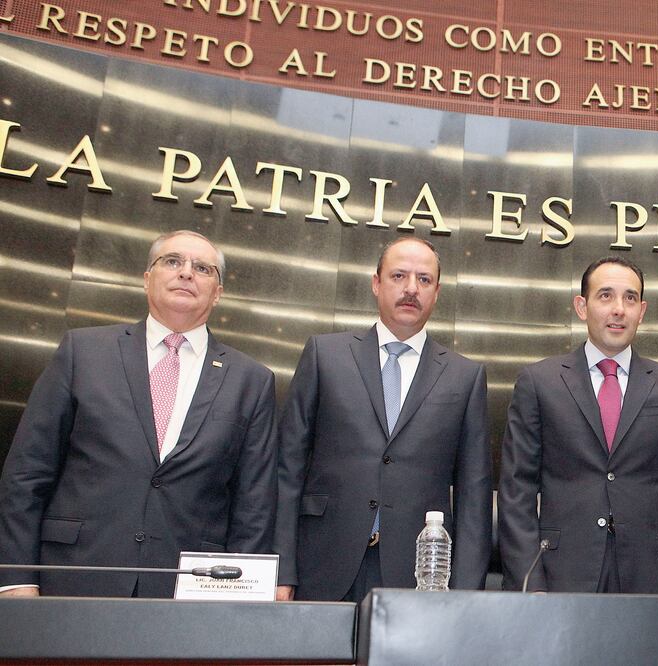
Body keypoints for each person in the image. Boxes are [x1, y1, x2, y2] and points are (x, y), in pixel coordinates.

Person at [0, 230, 277, 597]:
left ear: (218, 293)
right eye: (172, 261)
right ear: (147, 279)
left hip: (187, 594)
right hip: (73, 575)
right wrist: (16, 578)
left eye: (202, 268)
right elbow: (28, 473)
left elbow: (254, 505)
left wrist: (237, 602)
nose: (186, 273)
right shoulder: (83, 352)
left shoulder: (251, 380)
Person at [274, 236, 491, 601]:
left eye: (424, 279)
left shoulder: (464, 377)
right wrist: (282, 569)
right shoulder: (325, 355)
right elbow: (288, 468)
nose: (411, 289)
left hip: (418, 575)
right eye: (399, 276)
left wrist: (465, 593)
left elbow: (474, 494)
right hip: (320, 561)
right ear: (376, 283)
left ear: (437, 292)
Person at [498, 256, 658, 594]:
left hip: (655, 580)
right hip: (560, 576)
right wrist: (530, 586)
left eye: (630, 298)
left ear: (641, 311)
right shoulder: (539, 382)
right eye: (605, 296)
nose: (619, 309)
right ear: (581, 307)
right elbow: (517, 493)